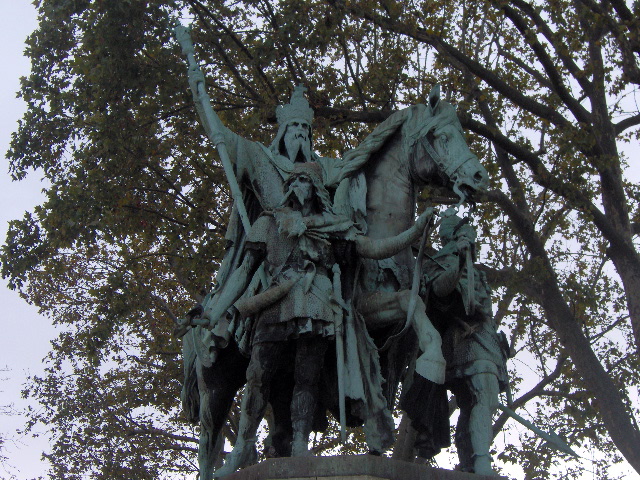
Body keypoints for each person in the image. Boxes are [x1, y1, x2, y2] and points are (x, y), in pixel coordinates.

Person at [204, 163, 432, 476]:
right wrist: (215, 311)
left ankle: (300, 442)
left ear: (315, 188)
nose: (298, 185)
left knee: (307, 378)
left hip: (318, 305)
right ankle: (243, 444)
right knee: (258, 375)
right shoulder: (269, 222)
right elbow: (245, 271)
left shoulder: (334, 225)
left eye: (304, 180)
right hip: (276, 303)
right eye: (293, 180)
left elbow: (373, 248)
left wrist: (415, 231)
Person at [408, 211, 509, 476]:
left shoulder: (479, 272)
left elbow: (485, 309)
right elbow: (440, 292)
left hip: (487, 339)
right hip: (461, 339)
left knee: (478, 401)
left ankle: (471, 463)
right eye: (466, 231)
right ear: (453, 236)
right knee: (483, 395)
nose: (473, 236)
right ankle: (482, 460)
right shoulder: (440, 261)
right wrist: (460, 261)